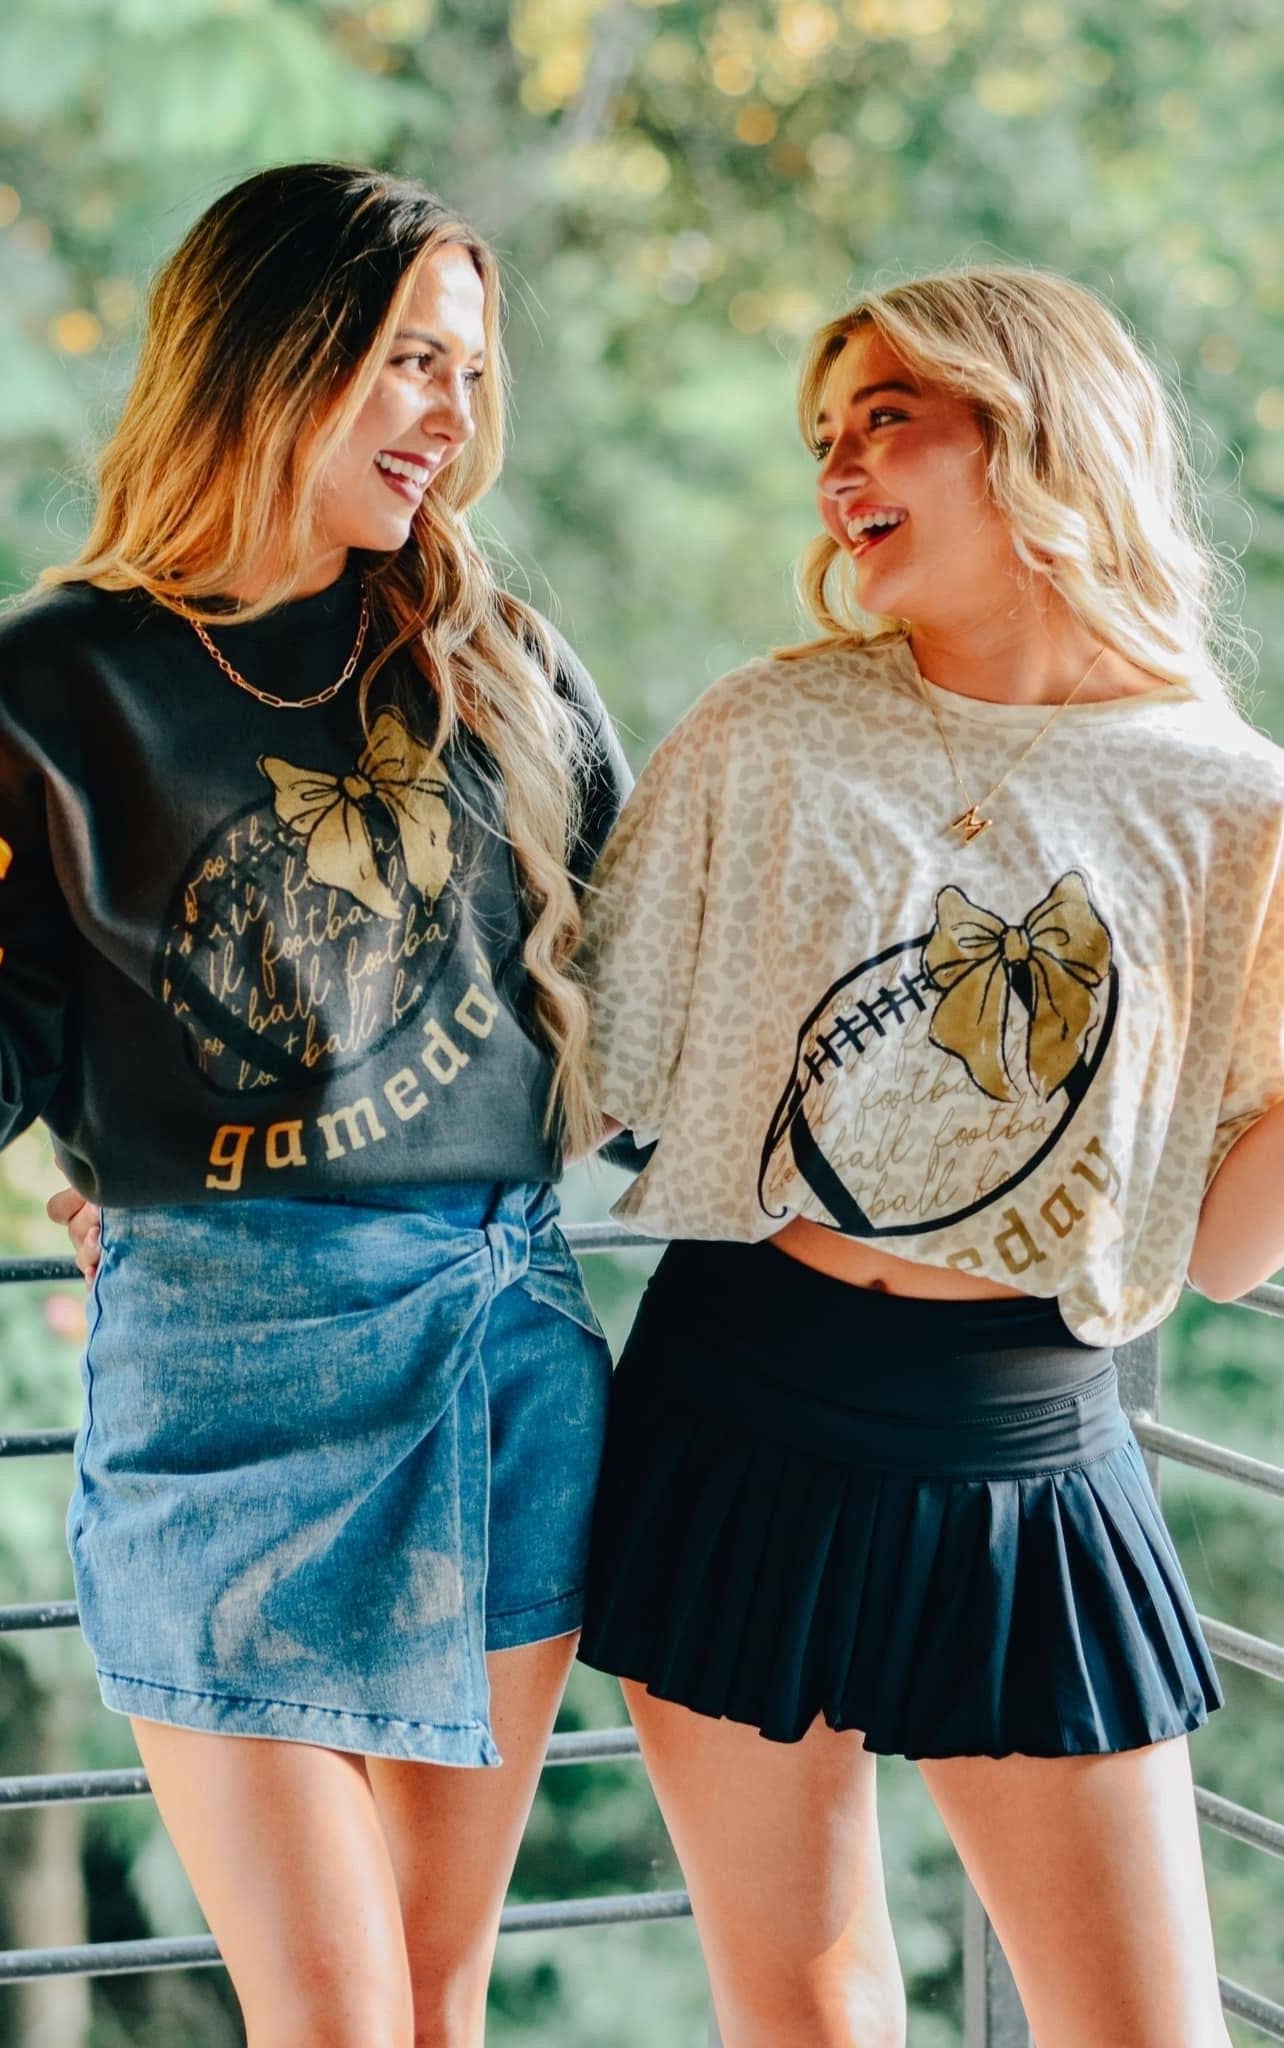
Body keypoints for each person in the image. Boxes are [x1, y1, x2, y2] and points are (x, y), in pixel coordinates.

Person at [0, 162, 632, 2048]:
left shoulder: (494, 661)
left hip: (499, 1350)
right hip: (222, 1376)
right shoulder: (46, 681)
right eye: (411, 361)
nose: (452, 416)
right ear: (269, 352)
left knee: (434, 1999)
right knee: (334, 2020)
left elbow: (642, 1007)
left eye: (468, 374)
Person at [576, 267, 1282, 2048]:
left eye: (888, 418)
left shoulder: (1237, 809)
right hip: (736, 1402)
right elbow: (569, 1057)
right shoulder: (772, 731)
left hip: (1023, 1445)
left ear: (1035, 431)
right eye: (826, 438)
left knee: (1148, 2028)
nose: (839, 471)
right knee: (806, 2005)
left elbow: (1224, 1252)